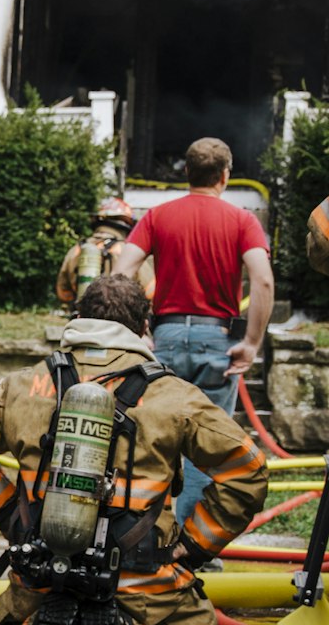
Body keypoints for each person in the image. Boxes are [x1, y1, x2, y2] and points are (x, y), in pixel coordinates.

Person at [0, 274, 267, 625]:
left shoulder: (21, 387)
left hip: (42, 582)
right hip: (144, 592)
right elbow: (248, 470)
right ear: (144, 329)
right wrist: (193, 546)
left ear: (76, 319)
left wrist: (11, 516)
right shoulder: (175, 397)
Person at [113, 138, 273, 527]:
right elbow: (263, 281)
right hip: (216, 341)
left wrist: (136, 332)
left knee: (154, 438)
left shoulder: (157, 216)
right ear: (225, 175)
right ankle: (190, 545)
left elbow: (120, 273)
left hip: (164, 340)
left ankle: (145, 538)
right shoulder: (242, 221)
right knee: (208, 446)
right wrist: (250, 344)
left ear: (186, 172)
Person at [55, 197, 155, 306]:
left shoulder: (77, 249)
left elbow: (63, 293)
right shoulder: (128, 250)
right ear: (127, 224)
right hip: (119, 316)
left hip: (81, 316)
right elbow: (149, 290)